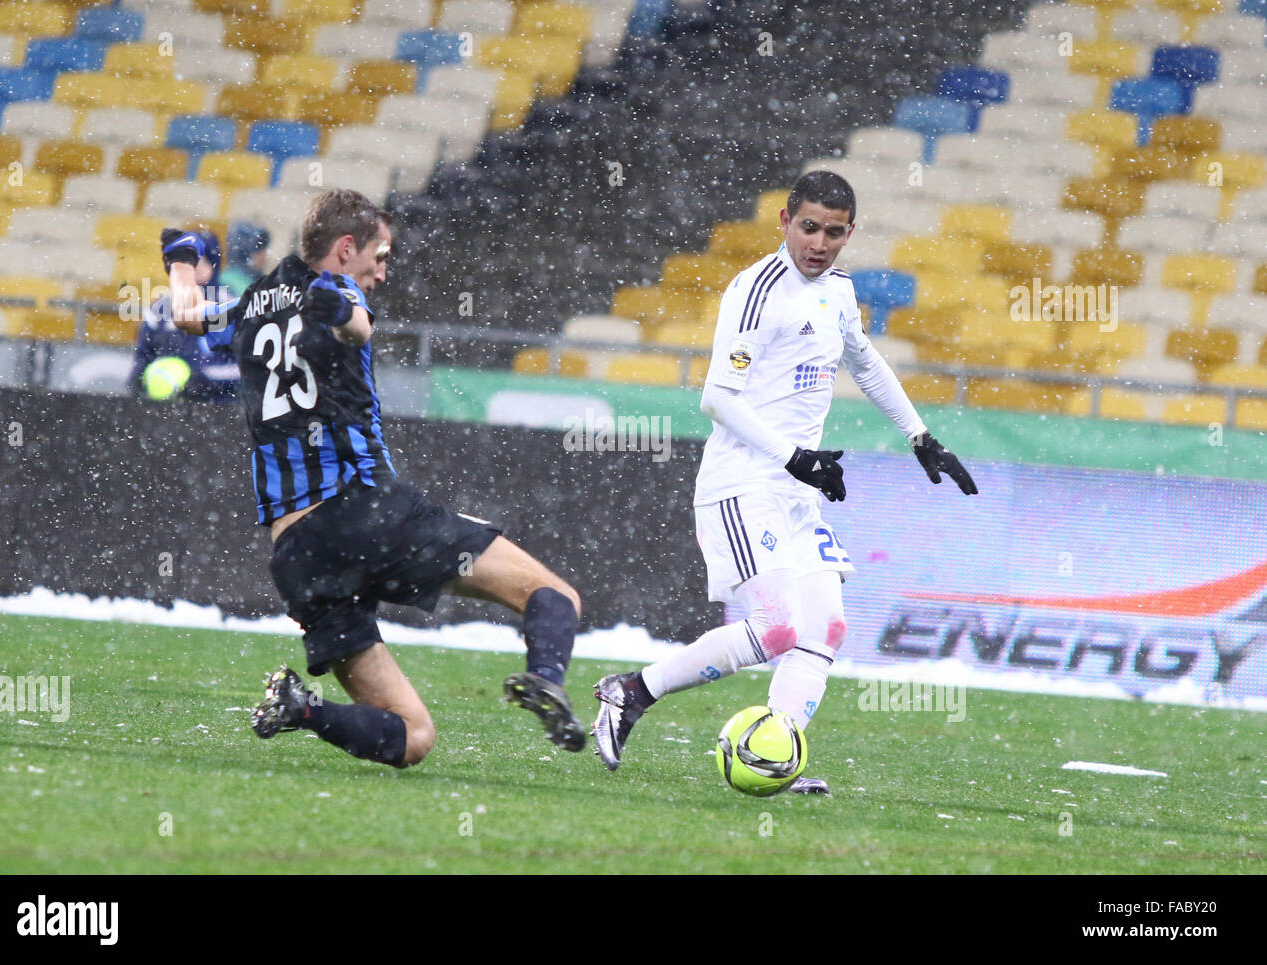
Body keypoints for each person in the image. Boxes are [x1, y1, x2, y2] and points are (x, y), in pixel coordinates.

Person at [162, 188, 587, 770]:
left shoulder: (255, 300)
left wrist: (183, 261)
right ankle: (545, 679)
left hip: (297, 557)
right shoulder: (336, 288)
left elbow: (188, 316)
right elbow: (356, 326)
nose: (382, 273)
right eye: (379, 258)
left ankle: (302, 709)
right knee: (553, 595)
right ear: (344, 249)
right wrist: (341, 312)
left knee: (411, 737)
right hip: (364, 515)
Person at [591, 170, 978, 792]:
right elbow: (717, 400)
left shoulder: (840, 291)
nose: (819, 244)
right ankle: (630, 691)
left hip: (797, 487)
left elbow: (865, 360)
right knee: (776, 631)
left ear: (851, 233)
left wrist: (920, 436)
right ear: (784, 222)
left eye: (834, 232)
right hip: (743, 483)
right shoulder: (757, 290)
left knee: (826, 627)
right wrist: (795, 456)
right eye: (808, 228)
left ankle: (776, 750)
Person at [127, 228, 239, 403]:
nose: (190, 271)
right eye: (183, 264)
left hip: (216, 410)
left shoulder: (227, 307)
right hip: (162, 410)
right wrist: (140, 378)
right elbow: (144, 354)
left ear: (212, 265)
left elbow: (241, 368)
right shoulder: (161, 308)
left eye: (198, 262)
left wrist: (201, 379)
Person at [218, 221, 271, 295]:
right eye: (259, 252)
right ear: (245, 254)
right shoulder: (226, 284)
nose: (265, 256)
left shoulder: (258, 280)